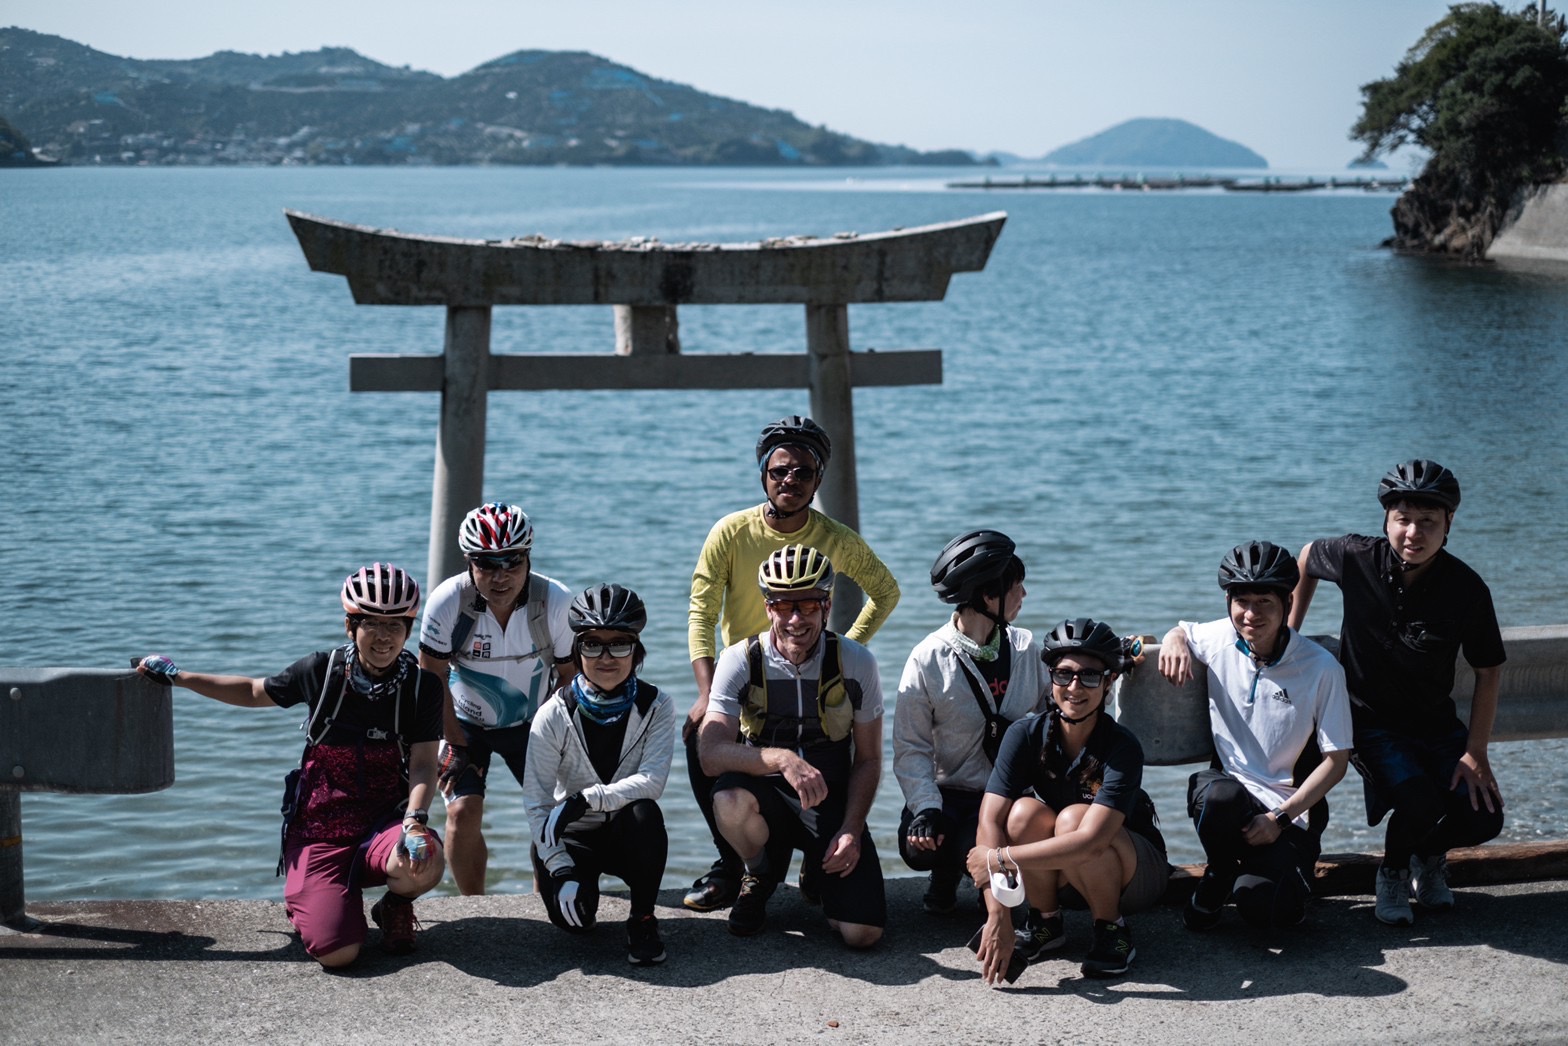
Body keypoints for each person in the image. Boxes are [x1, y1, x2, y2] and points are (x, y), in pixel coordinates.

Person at [134, 563, 446, 967]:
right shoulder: (321, 671)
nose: (384, 637)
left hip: (383, 824)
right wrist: (181, 677)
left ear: (409, 628)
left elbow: (423, 763)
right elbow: (252, 691)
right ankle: (315, 899)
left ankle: (394, 905)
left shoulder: (423, 687)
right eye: (371, 623)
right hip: (321, 827)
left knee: (427, 859)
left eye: (396, 625)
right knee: (339, 955)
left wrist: (415, 820)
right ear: (351, 626)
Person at [683, 416, 900, 913]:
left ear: (817, 479)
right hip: (744, 675)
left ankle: (812, 851)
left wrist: (842, 651)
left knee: (825, 760)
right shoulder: (731, 532)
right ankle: (732, 864)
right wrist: (706, 688)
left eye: (803, 473)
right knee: (700, 738)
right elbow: (702, 610)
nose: (790, 481)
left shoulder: (836, 536)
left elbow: (886, 592)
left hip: (811, 671)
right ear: (763, 474)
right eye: (780, 471)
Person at [1289, 459, 1505, 926]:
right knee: (1419, 800)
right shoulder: (1354, 556)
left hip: (1434, 723)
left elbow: (1489, 671)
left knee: (1484, 815)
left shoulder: (1466, 589)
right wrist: (1290, 633)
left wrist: (1476, 751)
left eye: (1428, 521)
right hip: (1368, 721)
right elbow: (1304, 558)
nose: (1413, 532)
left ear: (1449, 524)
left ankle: (1425, 858)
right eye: (1402, 519)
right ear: (1386, 519)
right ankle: (1390, 872)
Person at [697, 544, 886, 948]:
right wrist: (781, 759)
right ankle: (759, 873)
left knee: (862, 935)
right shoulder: (740, 659)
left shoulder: (856, 662)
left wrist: (851, 829)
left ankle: (815, 868)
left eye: (809, 606)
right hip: (767, 792)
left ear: (827, 605)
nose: (796, 619)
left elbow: (868, 760)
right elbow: (710, 753)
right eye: (784, 606)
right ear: (768, 608)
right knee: (728, 799)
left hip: (829, 795)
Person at [1158, 541, 1353, 931]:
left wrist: (1279, 819)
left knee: (1270, 914)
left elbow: (1336, 763)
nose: (1250, 614)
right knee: (1217, 794)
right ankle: (1219, 871)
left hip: (1289, 813)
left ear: (1286, 602)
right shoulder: (1219, 639)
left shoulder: (1320, 668)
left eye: (1264, 602)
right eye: (1241, 601)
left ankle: (1264, 877)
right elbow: (1184, 630)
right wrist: (1173, 638)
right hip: (1230, 796)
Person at [966, 618, 1166, 983]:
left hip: (1134, 872)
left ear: (1109, 682)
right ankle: (1046, 921)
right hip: (1065, 868)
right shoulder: (1024, 734)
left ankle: (1112, 929)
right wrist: (999, 915)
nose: (1075, 686)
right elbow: (990, 821)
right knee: (1022, 814)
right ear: (1050, 678)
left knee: (1075, 819)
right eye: (1063, 674)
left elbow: (1091, 840)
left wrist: (999, 858)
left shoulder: (1122, 747)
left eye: (1090, 676)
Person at [418, 501, 575, 895]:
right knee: (462, 810)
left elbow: (570, 680)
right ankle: (475, 906)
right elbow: (431, 678)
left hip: (534, 723)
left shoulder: (554, 601)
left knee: (555, 814)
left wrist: (556, 739)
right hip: (463, 724)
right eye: (487, 563)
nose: (501, 575)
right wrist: (453, 742)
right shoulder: (447, 601)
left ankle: (547, 901)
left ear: (528, 558)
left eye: (513, 561)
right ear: (470, 563)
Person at [893, 530, 1050, 915]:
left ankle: (968, 874)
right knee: (918, 847)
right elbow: (911, 746)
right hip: (949, 795)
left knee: (979, 840)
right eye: (1017, 587)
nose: (1024, 596)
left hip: (1005, 795)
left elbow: (1059, 713)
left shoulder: (1026, 648)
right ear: (987, 596)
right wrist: (926, 808)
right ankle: (945, 871)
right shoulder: (928, 658)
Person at [524, 584, 676, 966]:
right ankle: (567, 880)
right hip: (574, 836)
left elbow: (652, 781)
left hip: (627, 831)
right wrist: (558, 866)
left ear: (637, 651)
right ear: (576, 651)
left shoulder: (657, 706)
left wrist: (586, 798)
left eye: (620, 644)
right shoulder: (554, 713)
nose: (606, 657)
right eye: (592, 644)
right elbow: (538, 802)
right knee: (575, 924)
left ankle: (642, 918)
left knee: (646, 814)